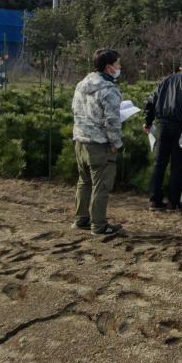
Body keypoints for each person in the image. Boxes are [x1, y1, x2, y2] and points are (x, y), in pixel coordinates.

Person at [71, 48, 124, 236]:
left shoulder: (81, 84)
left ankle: (81, 219)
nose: (120, 67)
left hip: (80, 141)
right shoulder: (109, 90)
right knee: (101, 186)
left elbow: (75, 110)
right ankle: (99, 225)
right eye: (118, 64)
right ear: (109, 68)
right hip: (99, 145)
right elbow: (112, 122)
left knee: (84, 182)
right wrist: (116, 144)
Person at [143, 66, 182, 212]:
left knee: (159, 163)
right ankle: (173, 202)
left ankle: (154, 200)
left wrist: (148, 121)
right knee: (177, 165)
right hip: (180, 125)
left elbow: (151, 100)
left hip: (162, 124)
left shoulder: (165, 81)